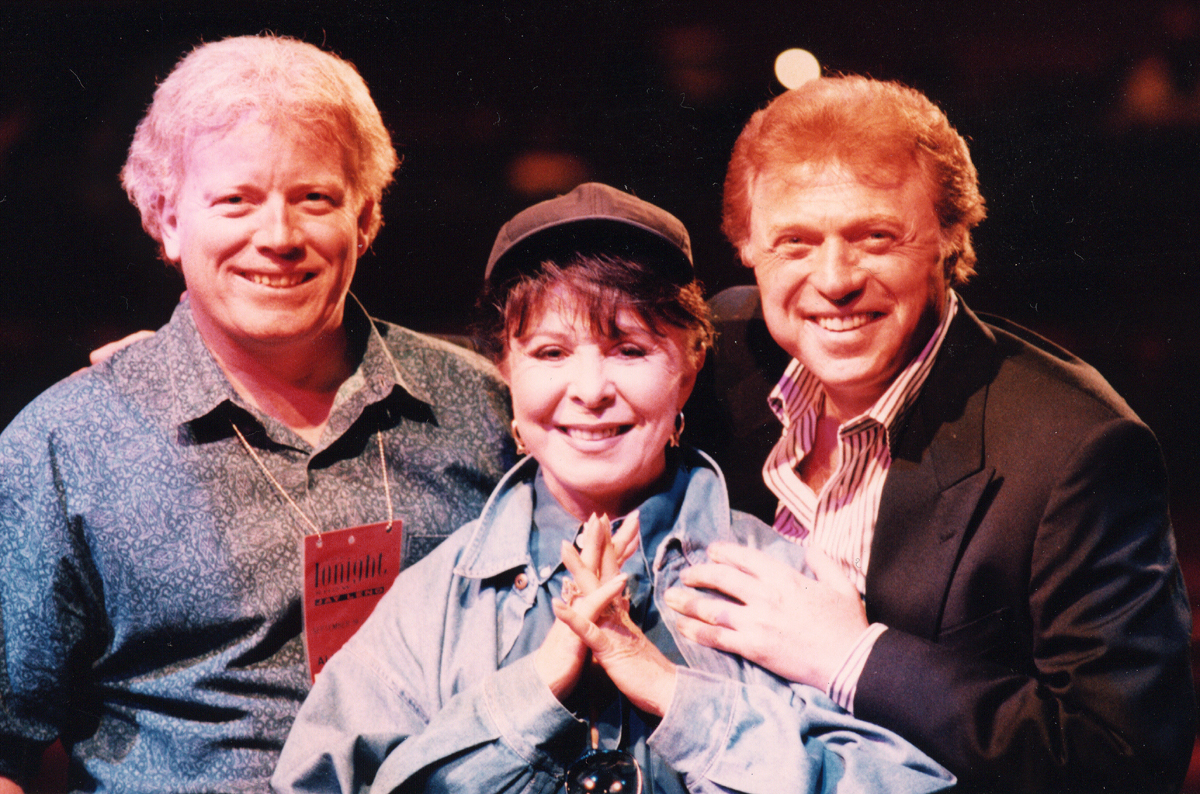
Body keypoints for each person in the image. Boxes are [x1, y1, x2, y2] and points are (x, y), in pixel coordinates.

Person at [272, 182, 955, 794]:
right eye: (550, 353)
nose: (592, 391)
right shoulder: (436, 599)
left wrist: (675, 695)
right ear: (504, 372)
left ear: (688, 369)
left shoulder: (776, 576)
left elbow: (906, 782)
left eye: (631, 350)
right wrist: (534, 691)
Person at [0, 35, 513, 793]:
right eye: (235, 200)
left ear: (365, 218)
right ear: (167, 219)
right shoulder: (63, 449)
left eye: (315, 198)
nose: (278, 238)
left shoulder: (480, 406)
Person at [675, 75, 1196, 792]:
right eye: (794, 242)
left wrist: (852, 655)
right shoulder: (710, 356)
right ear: (746, 249)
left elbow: (1125, 761)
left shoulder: (1075, 449)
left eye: (875, 236)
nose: (833, 280)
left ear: (949, 238)